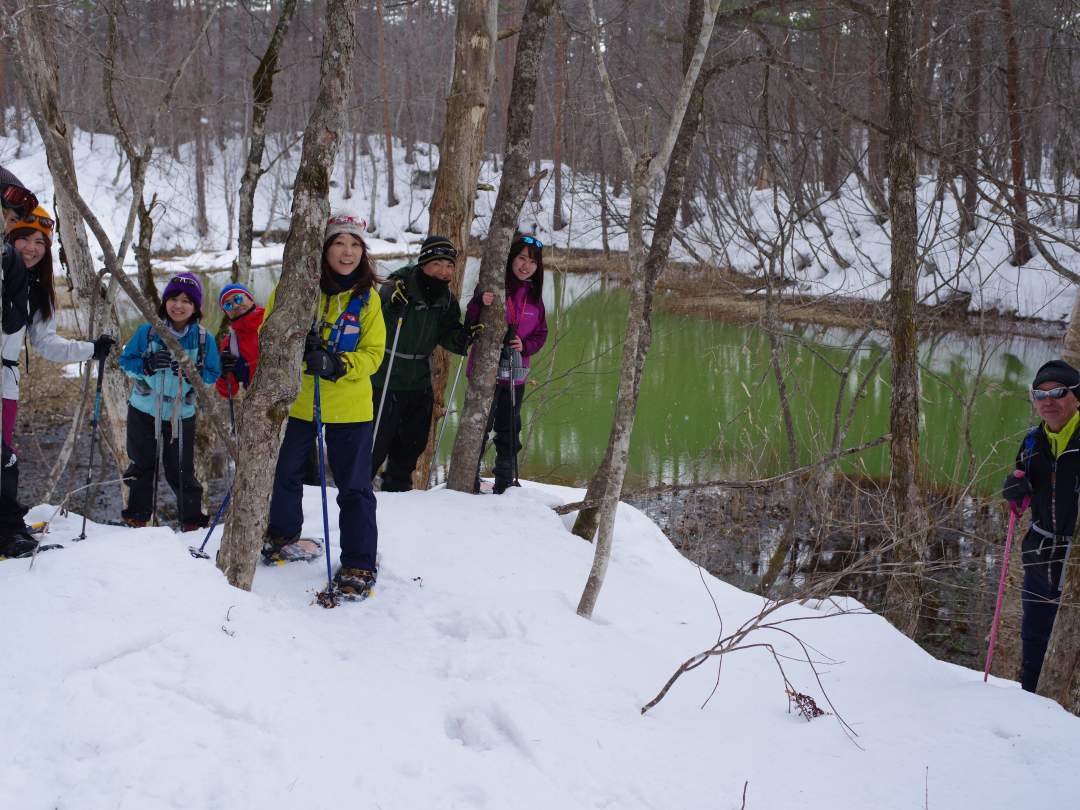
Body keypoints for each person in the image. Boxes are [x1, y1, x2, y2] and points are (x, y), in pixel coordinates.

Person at [264, 212, 385, 597]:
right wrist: (302, 353)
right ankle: (282, 537)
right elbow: (271, 332)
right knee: (285, 472)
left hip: (350, 406)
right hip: (300, 401)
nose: (347, 252)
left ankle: (359, 562)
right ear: (324, 248)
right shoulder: (298, 288)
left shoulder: (368, 299)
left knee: (353, 486)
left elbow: (374, 354)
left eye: (354, 245)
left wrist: (337, 364)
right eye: (338, 243)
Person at [370, 235, 477, 491]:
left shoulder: (447, 301)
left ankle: (398, 492)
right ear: (424, 262)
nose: (444, 271)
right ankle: (358, 493)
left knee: (412, 445)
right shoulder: (399, 286)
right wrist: (391, 304)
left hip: (419, 382)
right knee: (374, 444)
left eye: (449, 265)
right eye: (438, 263)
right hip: (385, 379)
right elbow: (373, 320)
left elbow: (448, 335)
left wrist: (465, 337)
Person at [3, 207, 115, 445]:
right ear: (10, 237)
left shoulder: (39, 290)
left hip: (6, 387)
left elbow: (45, 342)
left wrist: (91, 349)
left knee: (5, 464)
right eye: (24, 238)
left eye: (39, 242)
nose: (31, 248)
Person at [118, 272, 220, 530]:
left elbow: (212, 374)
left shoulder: (203, 339)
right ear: (164, 302)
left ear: (195, 307)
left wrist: (191, 373)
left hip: (180, 412)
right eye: (173, 298)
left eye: (187, 300)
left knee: (180, 469)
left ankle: (191, 523)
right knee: (141, 464)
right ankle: (137, 519)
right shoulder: (148, 332)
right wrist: (147, 365)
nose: (178, 305)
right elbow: (126, 361)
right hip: (144, 409)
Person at [1002, 359, 1080, 692]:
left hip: (1074, 556)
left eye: (1058, 392)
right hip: (1040, 552)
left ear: (1076, 397)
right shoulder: (1033, 442)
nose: (1048, 401)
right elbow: (1022, 500)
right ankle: (1030, 704)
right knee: (1034, 636)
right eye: (1040, 394)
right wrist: (1015, 493)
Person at [464, 234, 548, 494]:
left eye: (532, 262)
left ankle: (504, 485)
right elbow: (471, 321)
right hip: (486, 375)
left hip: (515, 377)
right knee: (480, 428)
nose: (526, 266)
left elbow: (541, 333)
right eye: (521, 258)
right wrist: (480, 303)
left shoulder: (534, 298)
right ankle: (469, 482)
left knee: (509, 430)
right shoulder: (495, 287)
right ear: (511, 258)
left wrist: (525, 346)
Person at [0, 167, 33, 557]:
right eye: (8, 216)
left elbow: (17, 319)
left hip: (5, 374)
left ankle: (9, 530)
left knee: (5, 457)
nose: (10, 224)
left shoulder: (8, 259)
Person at [215, 282, 264, 400]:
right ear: (226, 312)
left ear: (250, 298)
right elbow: (228, 392)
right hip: (260, 407)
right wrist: (223, 373)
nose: (235, 305)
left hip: (298, 403)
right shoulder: (229, 343)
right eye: (228, 305)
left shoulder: (272, 320)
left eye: (238, 298)